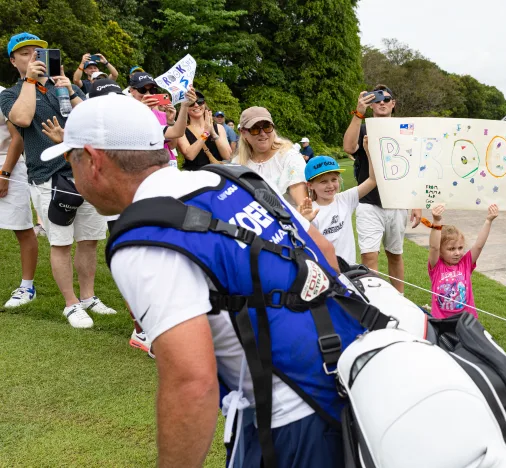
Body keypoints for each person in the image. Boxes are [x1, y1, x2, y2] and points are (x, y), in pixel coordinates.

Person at [45, 93, 351, 468]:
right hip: (355, 381)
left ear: (92, 160)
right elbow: (324, 252)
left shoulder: (143, 236)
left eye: (69, 160)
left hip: (292, 424)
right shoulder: (233, 177)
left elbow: (192, 383)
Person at [1, 32, 116, 328]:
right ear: (13, 61)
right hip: (47, 175)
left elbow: (94, 120)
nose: (33, 58)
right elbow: (23, 120)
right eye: (25, 54)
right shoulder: (10, 94)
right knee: (61, 243)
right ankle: (71, 303)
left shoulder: (61, 86)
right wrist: (29, 81)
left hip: (82, 171)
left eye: (38, 53)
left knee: (89, 240)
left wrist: (73, 90)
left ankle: (89, 297)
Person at [342, 84, 421, 293]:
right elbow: (349, 148)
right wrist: (359, 112)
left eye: (386, 99)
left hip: (397, 201)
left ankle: (400, 298)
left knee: (395, 254)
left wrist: (417, 203)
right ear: (371, 104)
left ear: (393, 104)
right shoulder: (363, 127)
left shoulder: (406, 129)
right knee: (369, 255)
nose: (382, 102)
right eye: (376, 99)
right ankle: (375, 301)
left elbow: (415, 167)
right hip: (369, 201)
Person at [0, 86, 38, 308]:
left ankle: (27, 286)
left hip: (8, 165)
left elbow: (17, 139)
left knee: (22, 228)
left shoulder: (5, 95)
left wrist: (5, 174)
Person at [300, 153, 376, 264]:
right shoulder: (310, 211)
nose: (330, 185)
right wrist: (304, 221)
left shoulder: (345, 199)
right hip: (326, 272)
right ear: (310, 185)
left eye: (334, 179)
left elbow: (373, 180)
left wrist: (368, 152)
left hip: (350, 271)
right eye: (323, 181)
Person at [427, 203, 498, 319]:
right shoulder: (436, 266)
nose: (457, 253)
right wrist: (436, 220)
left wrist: (488, 221)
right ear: (440, 251)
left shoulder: (465, 263)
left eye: (460, 248)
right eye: (451, 249)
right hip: (441, 320)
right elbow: (434, 247)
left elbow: (479, 246)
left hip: (465, 320)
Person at [233, 106, 306, 207]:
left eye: (267, 127)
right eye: (255, 129)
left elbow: (302, 205)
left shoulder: (289, 157)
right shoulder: (237, 164)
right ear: (243, 132)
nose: (262, 133)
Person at [176, 90, 231, 170]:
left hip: (217, 174)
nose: (196, 105)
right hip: (195, 175)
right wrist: (206, 133)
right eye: (191, 103)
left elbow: (227, 156)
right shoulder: (181, 130)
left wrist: (214, 134)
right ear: (185, 107)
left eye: (200, 102)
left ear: (204, 104)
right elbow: (190, 155)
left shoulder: (218, 127)